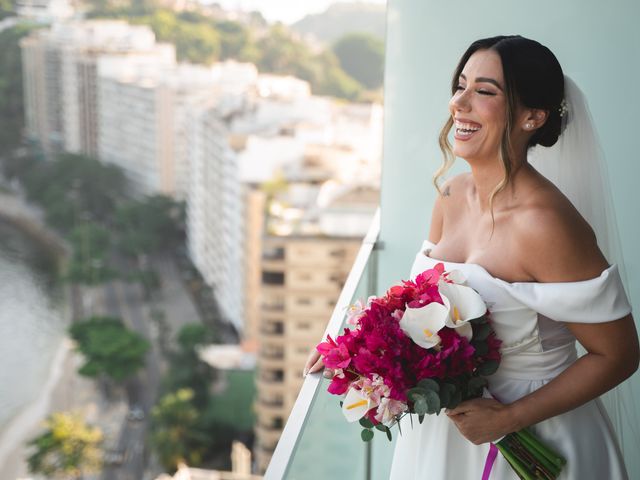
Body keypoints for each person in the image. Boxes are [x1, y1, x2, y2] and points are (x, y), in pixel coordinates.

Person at [305, 35, 639, 478]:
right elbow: (418, 301)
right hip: (447, 430)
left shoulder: (546, 224)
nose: (458, 103)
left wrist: (508, 418)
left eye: (484, 91)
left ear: (532, 117)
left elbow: (618, 356)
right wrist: (355, 351)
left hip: (535, 431)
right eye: (460, 86)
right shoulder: (451, 194)